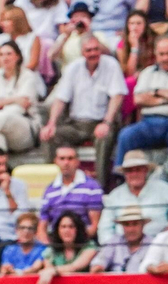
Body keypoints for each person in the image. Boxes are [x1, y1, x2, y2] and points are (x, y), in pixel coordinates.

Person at [114, 34, 168, 188]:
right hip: (150, 123)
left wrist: (155, 93)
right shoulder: (147, 72)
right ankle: (120, 179)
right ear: (156, 55)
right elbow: (138, 99)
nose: (165, 58)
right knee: (126, 134)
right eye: (161, 54)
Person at [41, 33, 128, 182]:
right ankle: (54, 184)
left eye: (96, 49)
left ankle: (100, 186)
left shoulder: (111, 65)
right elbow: (60, 98)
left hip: (101, 122)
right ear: (82, 52)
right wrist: (51, 123)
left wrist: (106, 122)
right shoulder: (73, 68)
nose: (93, 53)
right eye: (89, 50)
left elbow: (117, 96)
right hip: (76, 124)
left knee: (104, 137)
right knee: (49, 136)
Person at [40, 145, 103, 235]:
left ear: (77, 162)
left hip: (83, 240)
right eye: (62, 159)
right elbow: (42, 226)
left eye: (70, 158)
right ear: (56, 161)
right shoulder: (50, 190)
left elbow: (94, 225)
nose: (66, 162)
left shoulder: (92, 187)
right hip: (56, 241)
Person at [89, 204, 152, 271]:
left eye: (135, 224)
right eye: (126, 224)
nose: (131, 229)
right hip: (115, 281)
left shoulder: (152, 244)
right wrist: (98, 267)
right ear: (122, 226)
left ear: (143, 225)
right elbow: (99, 261)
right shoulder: (114, 241)